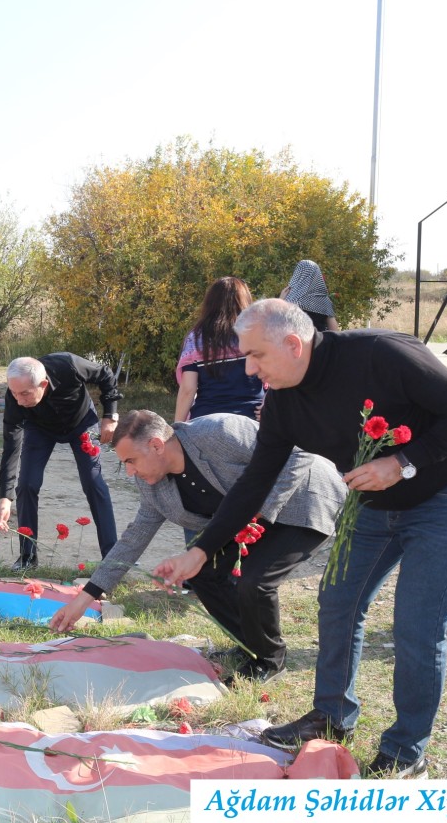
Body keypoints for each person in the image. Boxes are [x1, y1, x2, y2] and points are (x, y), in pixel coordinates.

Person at [152, 299, 447, 779]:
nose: (250, 371)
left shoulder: (382, 354)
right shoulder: (284, 396)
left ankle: (406, 749)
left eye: (256, 356)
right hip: (375, 505)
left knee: (416, 626)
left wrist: (401, 462)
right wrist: (202, 549)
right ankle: (331, 717)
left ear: (293, 344)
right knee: (338, 601)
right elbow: (256, 479)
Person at [50, 410, 345, 683]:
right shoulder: (152, 484)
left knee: (255, 580)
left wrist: (262, 513)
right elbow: (134, 537)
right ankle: (250, 646)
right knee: (203, 574)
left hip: (304, 500)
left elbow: (298, 453)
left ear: (156, 445)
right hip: (243, 523)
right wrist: (85, 598)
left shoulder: (218, 432)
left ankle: (269, 661)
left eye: (131, 461)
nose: (129, 472)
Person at [0, 354, 121, 571]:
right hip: (40, 429)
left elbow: (105, 374)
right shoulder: (16, 397)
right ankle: (27, 557)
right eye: (14, 393)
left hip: (81, 423)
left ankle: (113, 560)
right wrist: (5, 497)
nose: (19, 400)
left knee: (93, 483)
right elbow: (11, 446)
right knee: (27, 485)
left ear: (43, 384)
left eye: (25, 394)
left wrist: (110, 416)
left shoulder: (67, 365)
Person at [175, 276, 266, 422]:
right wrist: (269, 403)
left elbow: (188, 389)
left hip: (206, 420)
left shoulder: (196, 337)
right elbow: (277, 373)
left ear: (210, 303)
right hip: (252, 420)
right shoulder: (256, 334)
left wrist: (177, 428)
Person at [281, 260, 340, 332]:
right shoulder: (324, 300)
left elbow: (276, 323)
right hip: (318, 341)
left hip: (294, 341)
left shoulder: (289, 297)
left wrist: (280, 301)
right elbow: (334, 331)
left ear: (298, 274)